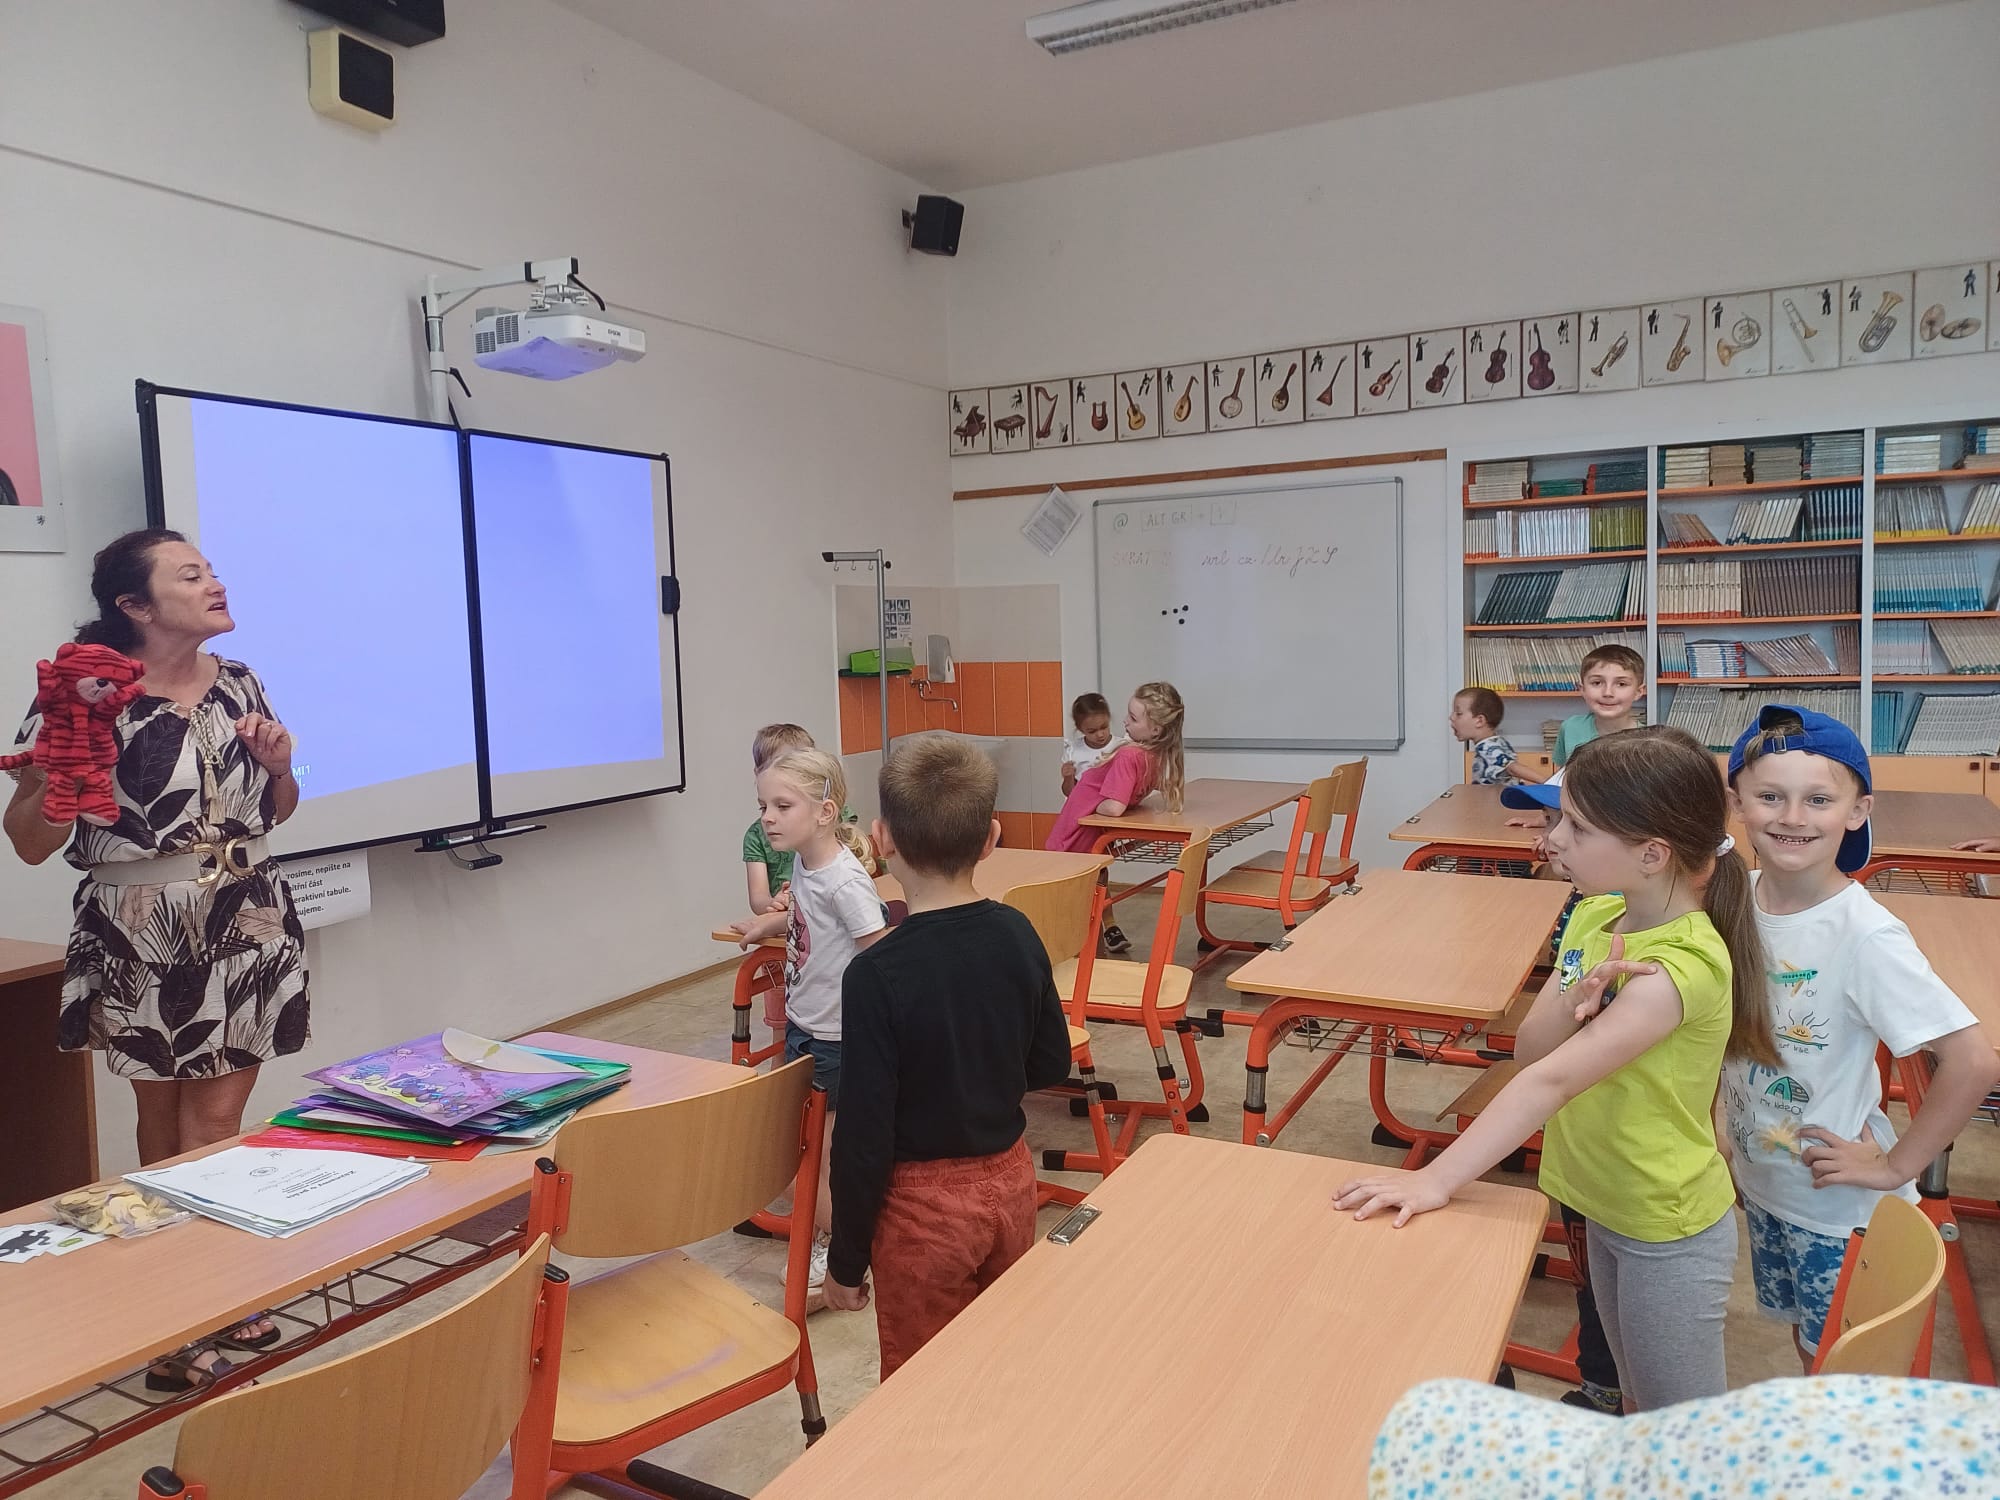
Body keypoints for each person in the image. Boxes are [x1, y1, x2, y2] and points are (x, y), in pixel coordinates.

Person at [1336, 726, 1772, 1411]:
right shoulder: (1597, 917)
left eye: (1577, 826)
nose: (1553, 840)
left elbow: (1549, 1082)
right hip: (1597, 1196)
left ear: (1652, 853)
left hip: (1663, 1222)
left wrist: (1436, 1179)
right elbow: (1531, 1052)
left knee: (1681, 1427)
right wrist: (1578, 997)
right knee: (1636, 1395)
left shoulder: (1677, 968)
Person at [4, 529, 308, 1390]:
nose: (215, 582)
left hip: (247, 915)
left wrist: (281, 768)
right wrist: (51, 778)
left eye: (211, 569)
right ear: (134, 605)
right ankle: (182, 1305)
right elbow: (29, 842)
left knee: (213, 1124)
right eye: (191, 574)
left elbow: (275, 811)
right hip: (140, 926)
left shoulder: (239, 680)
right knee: (164, 1124)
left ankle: (207, 1297)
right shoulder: (85, 695)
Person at [1723, 705, 2000, 1369]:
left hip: (1837, 1212)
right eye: (1770, 796)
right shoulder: (1736, 899)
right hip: (1766, 1186)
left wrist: (1897, 1166)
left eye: (1818, 799)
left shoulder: (1866, 935)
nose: (1793, 817)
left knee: (1842, 1370)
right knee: (1807, 1347)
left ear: (1858, 810)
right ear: (1737, 803)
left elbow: (1972, 1061)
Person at [821, 736, 1070, 1375]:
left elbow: (864, 1133)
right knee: (1006, 1358)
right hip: (1012, 1183)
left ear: (881, 839)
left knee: (923, 1384)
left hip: (920, 1210)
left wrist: (845, 1260)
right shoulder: (1018, 931)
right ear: (992, 838)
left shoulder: (875, 973)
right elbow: (1051, 1063)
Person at [730, 747, 884, 1308]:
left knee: (818, 1155)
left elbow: (878, 953)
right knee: (813, 1148)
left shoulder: (843, 880)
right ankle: (835, 1239)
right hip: (806, 1026)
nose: (767, 818)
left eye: (782, 806)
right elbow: (809, 921)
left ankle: (838, 1254)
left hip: (836, 1039)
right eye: (763, 806)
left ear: (824, 812)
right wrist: (768, 923)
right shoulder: (806, 863)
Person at [1044, 681, 1185, 955]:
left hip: (1073, 836)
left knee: (1067, 900)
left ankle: (1072, 956)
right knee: (1085, 894)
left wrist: (1089, 805)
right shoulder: (1152, 755)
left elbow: (1114, 807)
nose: (1125, 722)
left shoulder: (1129, 755)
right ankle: (1086, 953)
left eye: (1133, 718)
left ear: (1155, 729)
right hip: (1085, 837)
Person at [1512, 644, 1644, 785]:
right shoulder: (1570, 727)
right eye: (1597, 683)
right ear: (1582, 689)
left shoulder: (1648, 741)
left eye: (1621, 684)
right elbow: (1562, 777)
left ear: (1638, 692)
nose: (1607, 693)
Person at [1059, 691, 1126, 797]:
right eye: (1092, 731)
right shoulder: (1073, 751)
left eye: (1104, 727)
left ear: (1108, 719)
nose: (1100, 734)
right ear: (1080, 729)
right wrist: (1068, 778)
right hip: (1083, 804)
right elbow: (1069, 794)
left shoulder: (1122, 747)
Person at [1451, 686, 1515, 785]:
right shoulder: (1498, 741)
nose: (1451, 717)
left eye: (1458, 714)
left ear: (1479, 721)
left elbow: (1512, 768)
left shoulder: (1488, 747)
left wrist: (1542, 782)